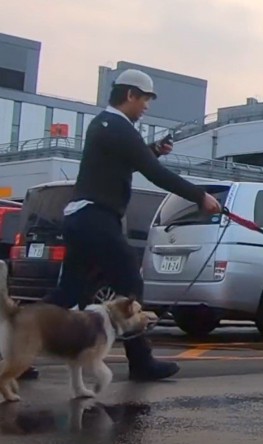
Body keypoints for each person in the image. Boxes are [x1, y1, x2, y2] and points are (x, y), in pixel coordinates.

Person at [29, 69, 222, 381]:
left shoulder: (106, 126)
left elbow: (132, 160)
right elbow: (153, 173)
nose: (146, 107)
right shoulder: (118, 127)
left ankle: (13, 347)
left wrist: (154, 150)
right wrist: (199, 196)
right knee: (131, 284)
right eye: (145, 100)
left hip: (81, 216)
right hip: (96, 217)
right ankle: (141, 361)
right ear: (130, 95)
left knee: (68, 292)